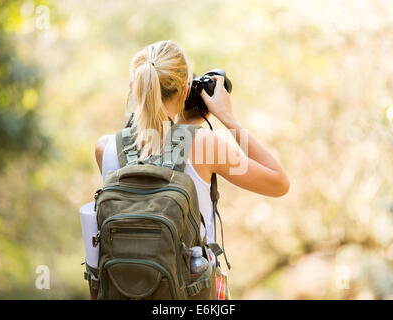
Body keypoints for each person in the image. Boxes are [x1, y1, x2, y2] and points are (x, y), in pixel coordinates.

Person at [94, 40, 290, 297]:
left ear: (136, 88)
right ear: (186, 91)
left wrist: (184, 124)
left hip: (126, 290)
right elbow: (278, 182)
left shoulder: (106, 147)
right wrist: (227, 118)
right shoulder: (204, 145)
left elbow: (148, 163)